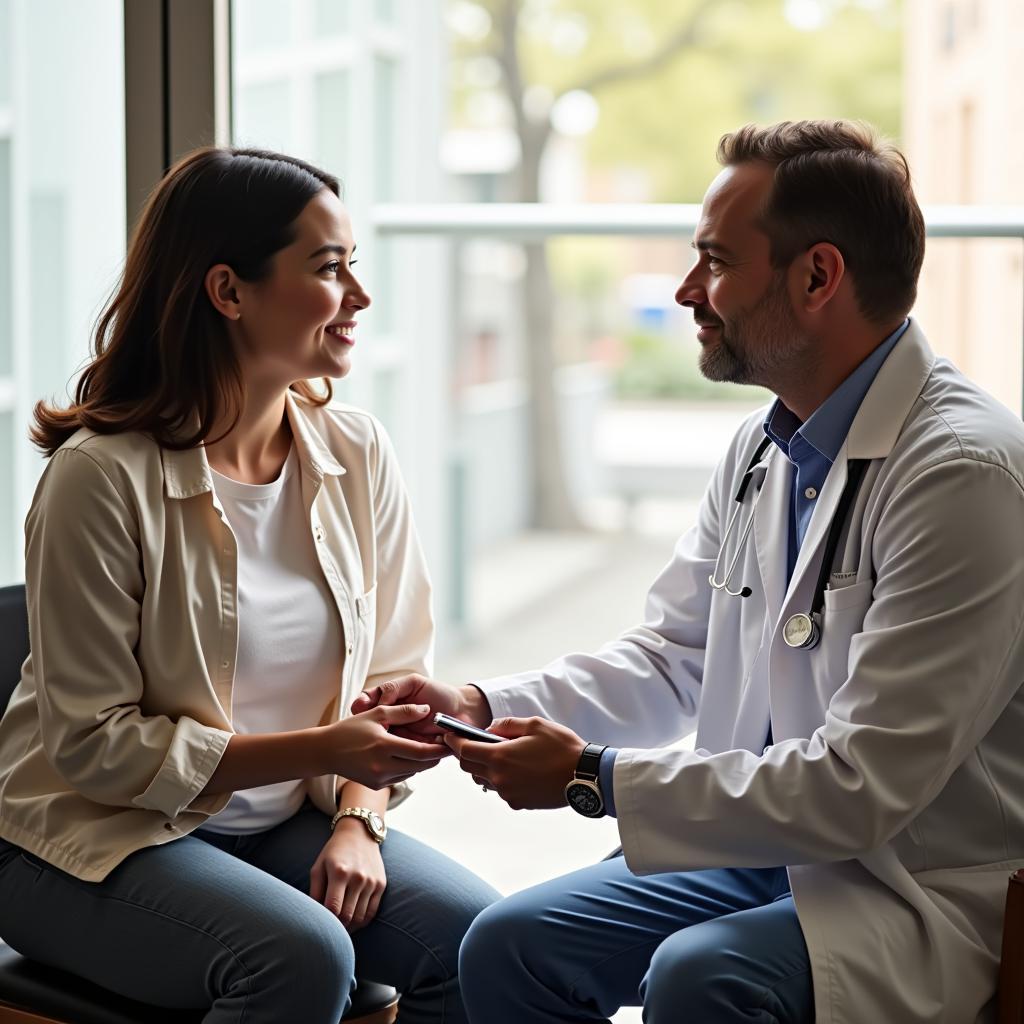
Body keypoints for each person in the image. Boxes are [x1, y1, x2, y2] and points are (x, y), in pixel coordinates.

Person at [355, 120, 1024, 1023]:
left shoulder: (962, 476)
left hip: (908, 879)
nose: (684, 290)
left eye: (714, 261)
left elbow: (864, 789)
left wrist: (596, 777)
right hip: (762, 845)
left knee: (702, 977)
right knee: (510, 946)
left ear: (818, 276)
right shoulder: (764, 446)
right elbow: (676, 659)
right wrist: (477, 706)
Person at [0, 147, 498, 1024]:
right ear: (228, 291)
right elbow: (94, 748)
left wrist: (358, 821)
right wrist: (324, 751)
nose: (359, 295)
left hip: (284, 822)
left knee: (485, 946)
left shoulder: (356, 451)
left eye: (354, 265)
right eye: (328, 267)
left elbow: (390, 687)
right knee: (299, 958)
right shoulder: (99, 477)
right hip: (86, 839)